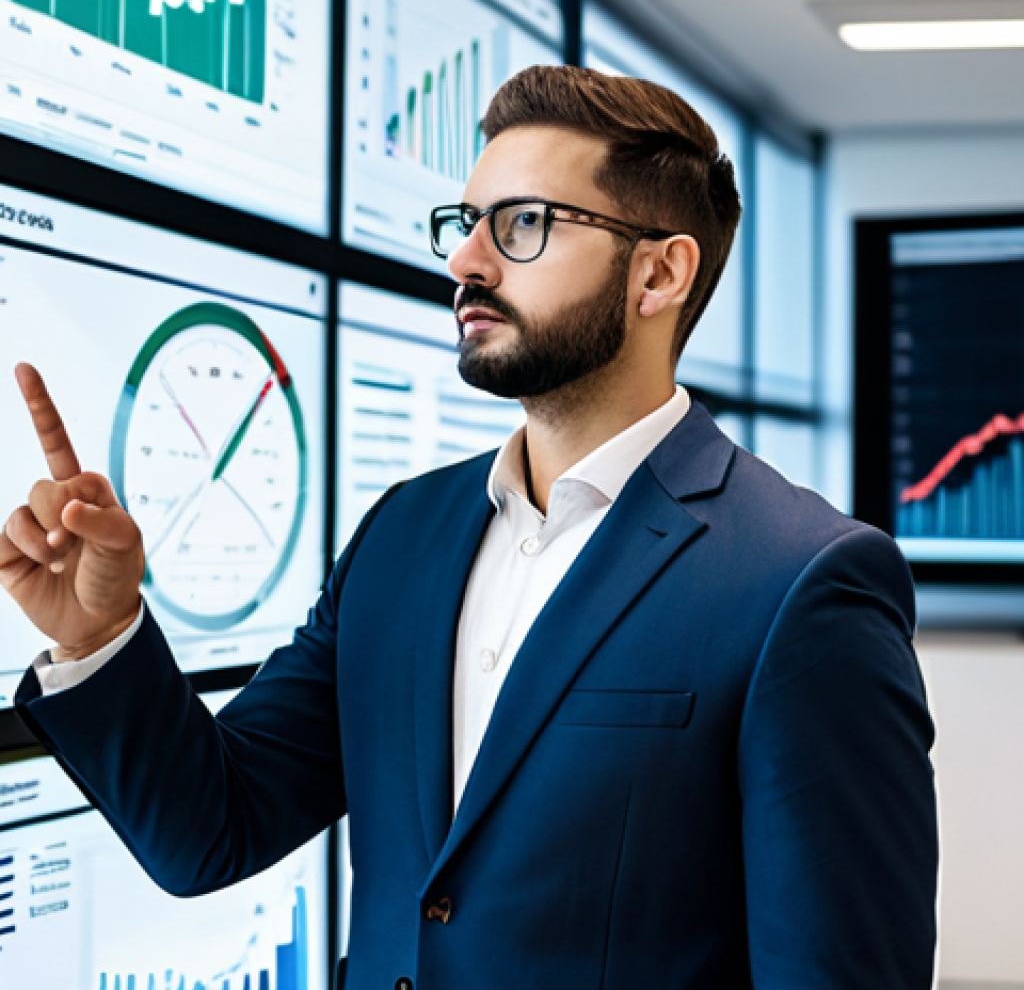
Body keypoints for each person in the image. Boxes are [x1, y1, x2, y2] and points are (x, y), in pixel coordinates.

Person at [1, 66, 937, 989]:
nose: (465, 262)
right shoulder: (402, 537)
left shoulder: (802, 582)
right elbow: (213, 829)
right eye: (466, 223)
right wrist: (99, 632)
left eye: (523, 224)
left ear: (659, 272)